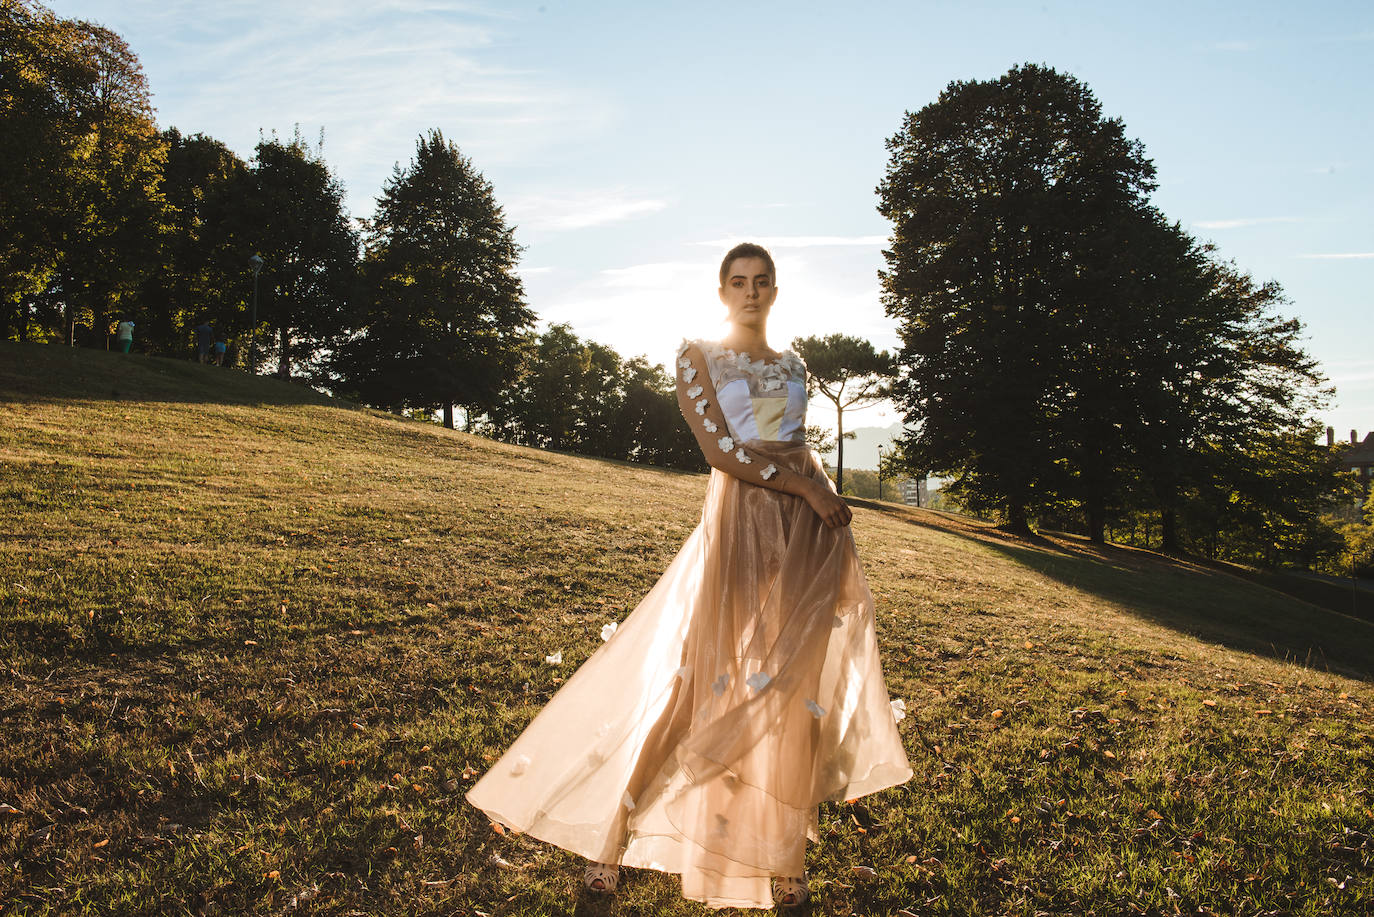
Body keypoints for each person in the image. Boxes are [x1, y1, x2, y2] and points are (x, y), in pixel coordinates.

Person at [465, 243, 913, 909]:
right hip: (745, 524)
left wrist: (815, 494)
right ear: (722, 291)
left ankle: (785, 858)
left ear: (776, 289)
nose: (751, 292)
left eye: (762, 281)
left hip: (810, 532)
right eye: (739, 281)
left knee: (794, 691)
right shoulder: (697, 355)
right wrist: (802, 487)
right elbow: (720, 450)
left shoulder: (794, 362)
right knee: (696, 684)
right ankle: (610, 840)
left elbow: (792, 440)